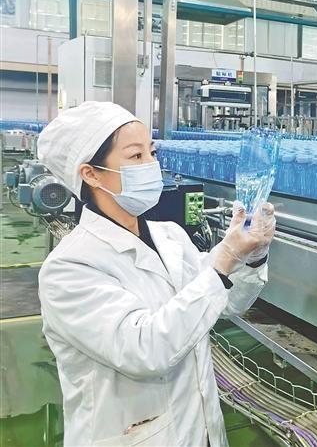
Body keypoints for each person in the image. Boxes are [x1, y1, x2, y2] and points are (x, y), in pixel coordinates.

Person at [36, 101, 275, 447]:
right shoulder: (69, 268)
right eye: (135, 156)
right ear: (91, 174)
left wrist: (251, 255)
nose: (151, 166)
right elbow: (146, 350)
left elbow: (228, 301)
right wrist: (225, 257)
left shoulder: (169, 236)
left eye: (152, 152)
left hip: (201, 431)